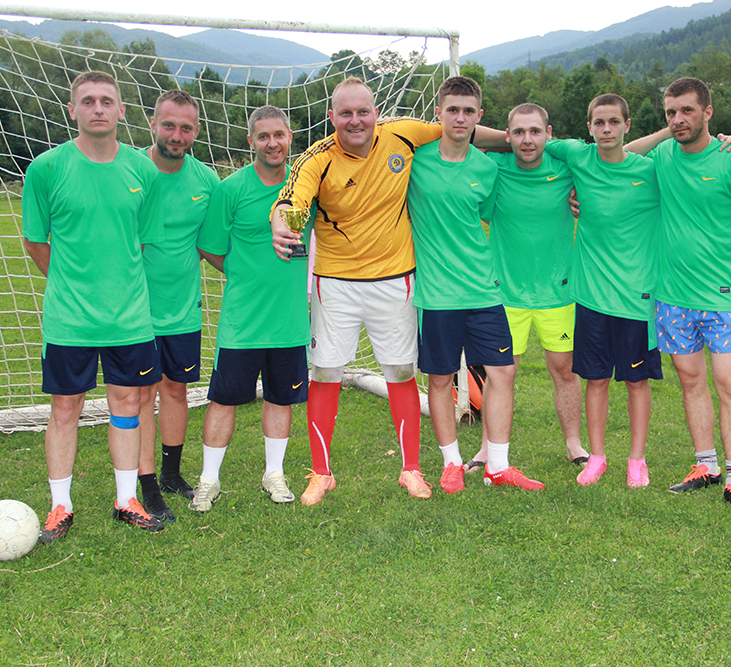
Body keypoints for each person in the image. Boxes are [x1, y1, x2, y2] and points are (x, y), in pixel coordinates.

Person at [271, 77, 505, 506]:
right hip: (335, 284)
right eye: (346, 113)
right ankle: (321, 473)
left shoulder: (403, 134)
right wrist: (283, 222)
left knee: (400, 373)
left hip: (396, 280)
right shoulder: (317, 158)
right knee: (326, 374)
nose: (355, 120)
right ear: (332, 117)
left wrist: (517, 140)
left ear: (375, 114)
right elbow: (293, 199)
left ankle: (411, 469)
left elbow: (462, 129)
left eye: (363, 111)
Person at [22, 70, 164, 541]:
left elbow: (139, 240)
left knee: (128, 404)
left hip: (130, 319)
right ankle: (60, 506)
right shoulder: (46, 169)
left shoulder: (143, 170)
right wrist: (70, 285)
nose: (98, 108)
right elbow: (35, 241)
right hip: (70, 320)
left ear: (122, 110)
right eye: (88, 101)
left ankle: (126, 500)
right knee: (66, 408)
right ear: (73, 110)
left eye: (106, 100)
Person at [408, 76, 544, 494]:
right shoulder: (415, 161)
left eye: (469, 111)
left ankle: (497, 466)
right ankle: (451, 464)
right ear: (439, 113)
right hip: (437, 294)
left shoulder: (487, 168)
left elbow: (485, 211)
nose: (460, 118)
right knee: (440, 378)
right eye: (453, 109)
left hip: (484, 290)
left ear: (479, 116)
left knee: (503, 371)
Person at [650, 77, 731, 514]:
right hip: (671, 296)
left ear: (708, 112)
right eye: (671, 112)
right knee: (690, 380)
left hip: (722, 296)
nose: (678, 119)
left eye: (687, 110)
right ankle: (706, 465)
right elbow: (617, 158)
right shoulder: (662, 156)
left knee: (729, 384)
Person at [191, 106, 312, 512]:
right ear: (251, 141)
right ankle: (209, 480)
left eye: (279, 135)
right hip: (242, 320)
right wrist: (242, 272)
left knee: (281, 399)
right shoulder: (231, 189)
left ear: (290, 137)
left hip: (289, 319)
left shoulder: (304, 186)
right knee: (223, 399)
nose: (272, 143)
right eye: (263, 136)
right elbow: (209, 246)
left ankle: (274, 474)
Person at [544, 94, 663, 488]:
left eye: (614, 122)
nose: (606, 129)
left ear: (627, 125)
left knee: (636, 381)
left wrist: (726, 140)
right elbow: (527, 140)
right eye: (599, 122)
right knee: (595, 380)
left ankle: (637, 460)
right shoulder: (577, 157)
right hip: (591, 296)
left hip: (636, 298)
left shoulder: (650, 171)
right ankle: (596, 458)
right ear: (589, 127)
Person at [464, 103, 589, 473]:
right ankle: (486, 449)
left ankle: (574, 444)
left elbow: (610, 157)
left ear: (549, 134)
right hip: (505, 293)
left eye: (535, 131)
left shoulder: (566, 168)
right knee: (500, 374)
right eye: (518, 132)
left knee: (565, 371)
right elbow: (461, 133)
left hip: (559, 291)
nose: (527, 139)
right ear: (507, 136)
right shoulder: (494, 168)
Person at [136, 90, 220, 522]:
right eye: (168, 125)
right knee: (140, 394)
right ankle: (147, 485)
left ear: (196, 131)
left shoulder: (207, 181)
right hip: (134, 311)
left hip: (183, 309)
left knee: (175, 389)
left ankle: (171, 475)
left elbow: (215, 243)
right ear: (153, 124)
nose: (176, 134)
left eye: (186, 127)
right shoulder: (129, 170)